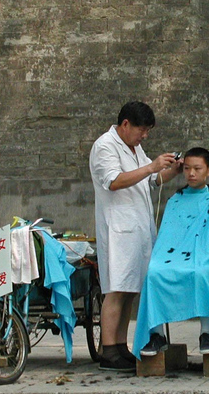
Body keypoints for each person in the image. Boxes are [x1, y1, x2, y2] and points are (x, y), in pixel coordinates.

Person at [89, 101, 182, 372]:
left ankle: (120, 346)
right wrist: (152, 167)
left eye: (148, 132)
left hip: (138, 229)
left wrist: (172, 171)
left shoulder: (134, 147)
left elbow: (151, 181)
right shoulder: (104, 146)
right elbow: (114, 181)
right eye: (142, 130)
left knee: (130, 291)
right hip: (118, 229)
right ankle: (108, 351)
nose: (145, 136)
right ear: (126, 124)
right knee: (115, 289)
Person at [133, 147, 209, 359]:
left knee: (201, 273)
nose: (191, 173)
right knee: (154, 273)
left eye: (197, 169)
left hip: (206, 259)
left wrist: (204, 258)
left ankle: (206, 333)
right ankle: (157, 335)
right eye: (186, 169)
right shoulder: (175, 200)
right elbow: (167, 237)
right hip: (173, 256)